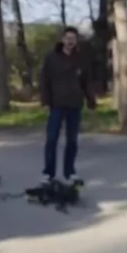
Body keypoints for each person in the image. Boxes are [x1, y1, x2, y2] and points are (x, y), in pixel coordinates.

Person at [39, 26, 97, 184]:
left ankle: (69, 172)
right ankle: (48, 172)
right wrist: (45, 101)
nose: (70, 41)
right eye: (68, 38)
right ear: (62, 40)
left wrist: (91, 101)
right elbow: (44, 80)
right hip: (56, 104)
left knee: (72, 141)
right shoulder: (52, 58)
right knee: (52, 139)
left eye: (73, 39)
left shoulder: (81, 59)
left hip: (74, 104)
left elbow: (87, 82)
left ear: (76, 41)